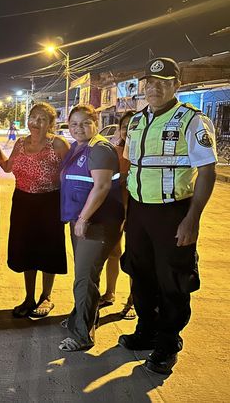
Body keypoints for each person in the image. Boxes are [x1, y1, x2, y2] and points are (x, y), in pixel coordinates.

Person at [119, 57, 217, 375]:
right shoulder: (136, 121)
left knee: (173, 278)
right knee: (140, 272)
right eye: (150, 82)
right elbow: (130, 167)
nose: (155, 88)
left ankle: (168, 341)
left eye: (163, 82)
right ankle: (147, 329)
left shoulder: (192, 120)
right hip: (139, 211)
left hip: (173, 212)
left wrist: (192, 218)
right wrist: (127, 212)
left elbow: (207, 171)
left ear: (177, 85)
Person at [0, 103, 69, 319]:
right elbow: (7, 167)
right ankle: (29, 297)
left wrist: (73, 206)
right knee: (27, 250)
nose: (36, 123)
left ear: (50, 124)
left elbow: (71, 175)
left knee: (49, 250)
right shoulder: (21, 143)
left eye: (42, 119)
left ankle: (46, 296)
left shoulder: (58, 144)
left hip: (50, 203)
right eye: (33, 117)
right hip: (22, 202)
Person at [58, 104, 124, 352]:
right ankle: (81, 317)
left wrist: (84, 218)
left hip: (97, 223)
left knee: (85, 278)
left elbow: (102, 186)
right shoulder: (78, 147)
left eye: (86, 123)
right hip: (81, 220)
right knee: (86, 275)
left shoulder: (100, 149)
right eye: (74, 124)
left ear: (96, 123)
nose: (79, 128)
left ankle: (82, 335)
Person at [99, 110, 136, 319]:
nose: (128, 130)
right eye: (124, 127)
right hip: (115, 209)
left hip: (139, 211)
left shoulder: (145, 153)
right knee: (113, 252)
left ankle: (133, 300)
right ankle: (109, 293)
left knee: (134, 256)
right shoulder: (113, 152)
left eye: (133, 126)